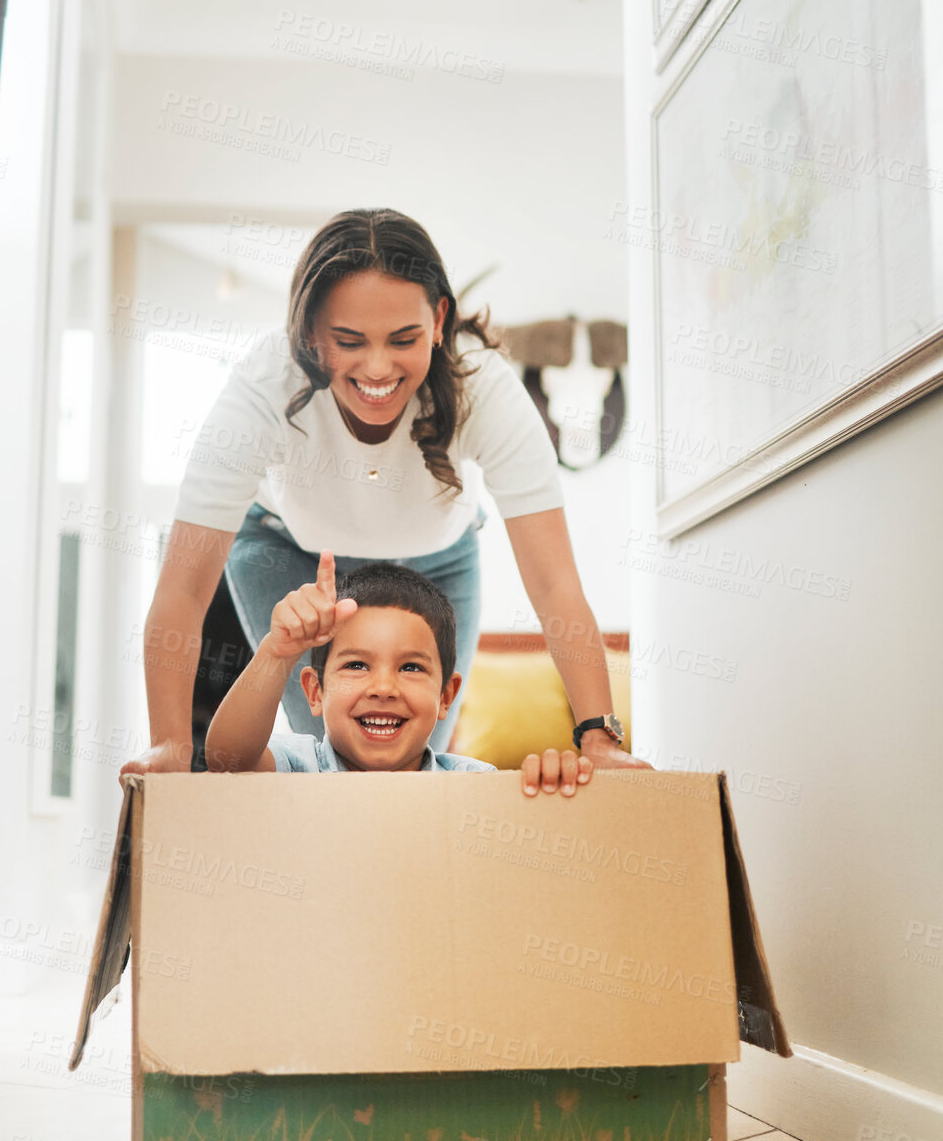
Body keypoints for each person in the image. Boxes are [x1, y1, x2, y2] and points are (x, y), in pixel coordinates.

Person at [122, 208, 650, 778]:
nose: (378, 367)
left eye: (404, 339)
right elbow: (182, 589)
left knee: (411, 757)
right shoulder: (263, 386)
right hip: (287, 550)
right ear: (308, 333)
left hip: (439, 559)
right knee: (334, 748)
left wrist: (599, 739)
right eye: (349, 340)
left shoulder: (483, 386)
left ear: (440, 318)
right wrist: (171, 749)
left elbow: (554, 584)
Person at [205, 554, 592, 797]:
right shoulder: (297, 766)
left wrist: (552, 789)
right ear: (315, 690)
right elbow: (228, 758)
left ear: (446, 696)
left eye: (410, 667)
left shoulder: (472, 785)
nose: (384, 688)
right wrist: (276, 650)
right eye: (356, 665)